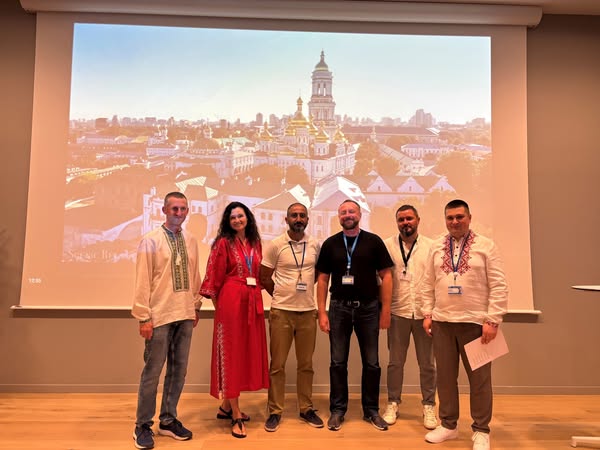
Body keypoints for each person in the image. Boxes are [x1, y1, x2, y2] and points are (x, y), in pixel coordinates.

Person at [421, 199, 508, 450]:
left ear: (469, 217)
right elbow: (427, 283)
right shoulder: (436, 246)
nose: (455, 222)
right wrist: (427, 313)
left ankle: (481, 430)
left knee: (480, 380)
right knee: (445, 379)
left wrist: (493, 320)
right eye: (450, 218)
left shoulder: (486, 246)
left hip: (476, 324)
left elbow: (499, 285)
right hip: (442, 323)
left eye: (459, 217)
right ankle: (448, 425)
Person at [131, 191, 202, 450]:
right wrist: (143, 316)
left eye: (183, 209)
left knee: (178, 371)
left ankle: (168, 420)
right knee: (152, 372)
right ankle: (142, 425)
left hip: (184, 314)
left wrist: (195, 305)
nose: (179, 213)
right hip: (158, 315)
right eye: (174, 209)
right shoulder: (150, 240)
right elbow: (142, 280)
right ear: (164, 210)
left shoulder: (191, 240)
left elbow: (194, 274)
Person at [316, 199, 394, 432]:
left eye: (351, 211)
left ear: (359, 215)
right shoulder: (330, 244)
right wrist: (322, 312)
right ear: (338, 217)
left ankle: (371, 410)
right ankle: (337, 410)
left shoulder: (374, 242)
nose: (347, 215)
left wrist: (386, 310)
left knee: (372, 363)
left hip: (368, 309)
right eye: (343, 212)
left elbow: (386, 276)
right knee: (337, 362)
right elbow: (322, 280)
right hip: (338, 308)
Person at [199, 201, 269, 439]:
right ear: (227, 222)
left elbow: (259, 273)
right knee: (231, 354)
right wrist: (220, 310)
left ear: (247, 217)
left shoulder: (256, 242)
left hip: (252, 300)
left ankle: (226, 407)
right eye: (232, 218)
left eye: (240, 216)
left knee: (245, 354)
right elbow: (214, 279)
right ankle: (236, 415)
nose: (237, 220)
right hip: (230, 303)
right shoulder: (222, 243)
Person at [259, 203, 323, 432]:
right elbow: (264, 277)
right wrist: (281, 294)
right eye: (294, 215)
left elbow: (318, 274)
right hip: (281, 312)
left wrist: (302, 292)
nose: (298, 219)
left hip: (308, 312)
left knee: (306, 365)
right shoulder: (275, 245)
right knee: (277, 365)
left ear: (307, 220)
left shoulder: (315, 244)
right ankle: (275, 411)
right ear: (286, 220)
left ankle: (306, 408)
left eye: (302, 215)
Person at [382, 205, 437, 429]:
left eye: (409, 218)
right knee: (395, 363)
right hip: (398, 312)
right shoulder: (387, 245)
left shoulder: (432, 246)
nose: (406, 223)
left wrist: (431, 312)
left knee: (428, 364)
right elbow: (381, 279)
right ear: (397, 223)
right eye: (401, 219)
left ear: (418, 220)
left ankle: (429, 405)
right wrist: (384, 310)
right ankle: (393, 402)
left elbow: (436, 279)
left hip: (425, 313)